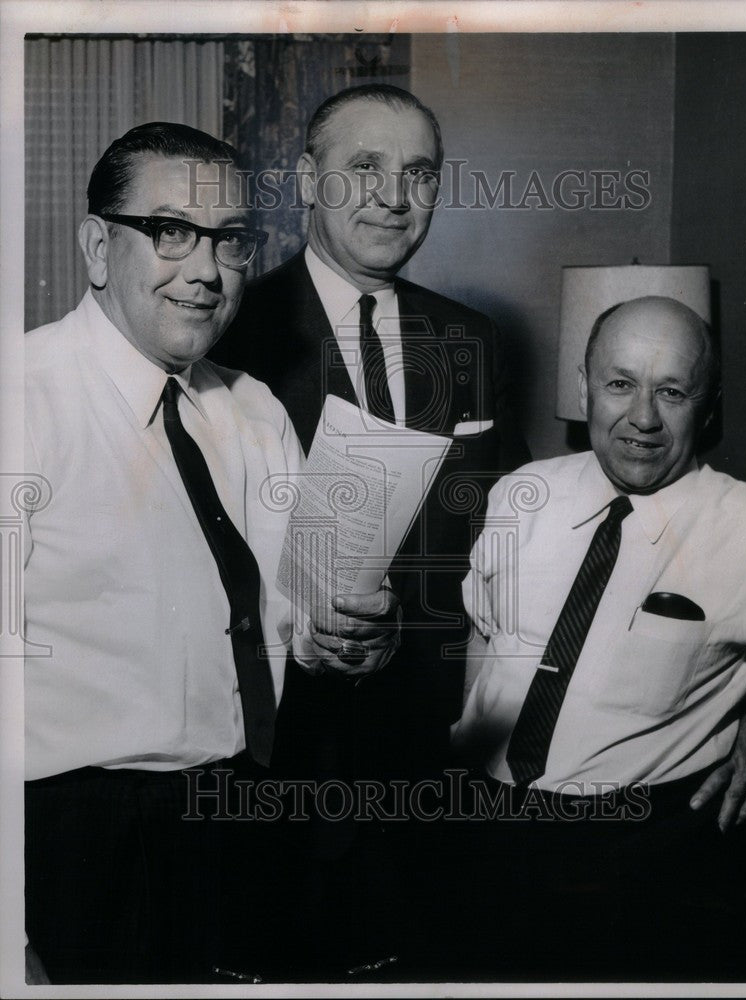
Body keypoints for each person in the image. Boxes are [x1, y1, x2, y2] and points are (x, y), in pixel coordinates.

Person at [23, 121, 395, 985]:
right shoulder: (23, 403)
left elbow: (293, 624)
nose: (204, 270)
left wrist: (349, 641)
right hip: (73, 845)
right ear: (95, 245)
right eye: (170, 232)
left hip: (244, 821)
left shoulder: (254, 410)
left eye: (229, 241)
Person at [209, 84, 528, 976]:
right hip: (267, 767)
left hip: (421, 766)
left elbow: (505, 532)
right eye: (365, 169)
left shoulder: (471, 338)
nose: (395, 195)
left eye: (419, 173)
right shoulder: (228, 326)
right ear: (308, 181)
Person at [450, 295, 746, 981]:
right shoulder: (523, 493)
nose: (643, 418)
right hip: (485, 833)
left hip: (640, 860)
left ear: (708, 405)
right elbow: (483, 635)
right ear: (584, 387)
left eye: (672, 391)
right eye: (621, 383)